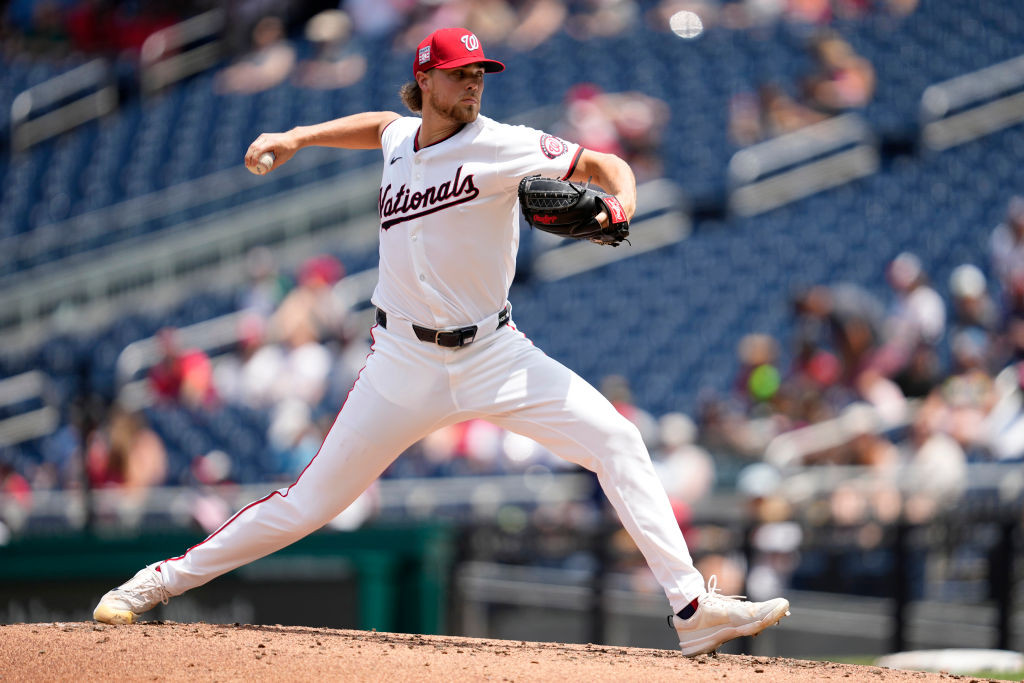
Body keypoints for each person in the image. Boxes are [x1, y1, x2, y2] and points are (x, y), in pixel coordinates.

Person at [92, 26, 789, 656]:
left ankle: (692, 606)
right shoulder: (403, 138)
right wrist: (298, 136)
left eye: (480, 71)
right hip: (402, 360)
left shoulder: (506, 143)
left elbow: (606, 167)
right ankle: (156, 582)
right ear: (425, 78)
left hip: (494, 353)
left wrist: (623, 203)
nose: (474, 81)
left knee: (616, 439)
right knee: (307, 504)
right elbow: (382, 127)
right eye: (459, 72)